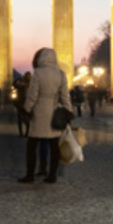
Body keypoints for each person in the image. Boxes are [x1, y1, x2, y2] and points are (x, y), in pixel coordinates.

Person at [18, 47, 73, 185]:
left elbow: (32, 95)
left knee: (31, 146)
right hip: (54, 113)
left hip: (39, 113)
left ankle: (30, 175)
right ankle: (52, 175)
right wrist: (68, 111)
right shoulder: (61, 74)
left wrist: (26, 108)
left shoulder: (38, 73)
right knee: (54, 147)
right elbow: (65, 96)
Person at [13, 72, 32, 137]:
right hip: (22, 102)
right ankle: (23, 133)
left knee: (23, 118)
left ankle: (24, 133)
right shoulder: (21, 82)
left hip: (24, 102)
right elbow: (14, 83)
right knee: (23, 118)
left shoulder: (30, 83)